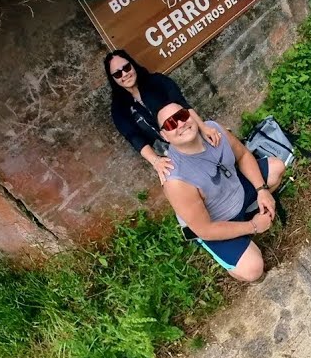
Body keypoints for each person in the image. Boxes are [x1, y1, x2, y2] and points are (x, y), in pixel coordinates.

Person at [155, 101, 285, 282]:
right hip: (215, 222)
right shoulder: (176, 179)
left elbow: (243, 155)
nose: (181, 123)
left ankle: (247, 215)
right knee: (253, 270)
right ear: (164, 136)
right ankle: (237, 243)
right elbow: (205, 229)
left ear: (191, 115)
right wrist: (254, 226)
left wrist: (261, 190)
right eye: (170, 124)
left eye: (182, 115)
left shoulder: (213, 129)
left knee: (276, 168)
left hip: (236, 191)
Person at [105, 50, 221, 181]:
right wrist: (155, 161)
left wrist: (204, 128)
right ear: (113, 79)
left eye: (126, 68)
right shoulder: (119, 108)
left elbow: (182, 104)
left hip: (189, 136)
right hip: (169, 153)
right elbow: (134, 137)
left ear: (132, 65)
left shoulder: (157, 81)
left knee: (218, 159)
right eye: (118, 73)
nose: (125, 74)